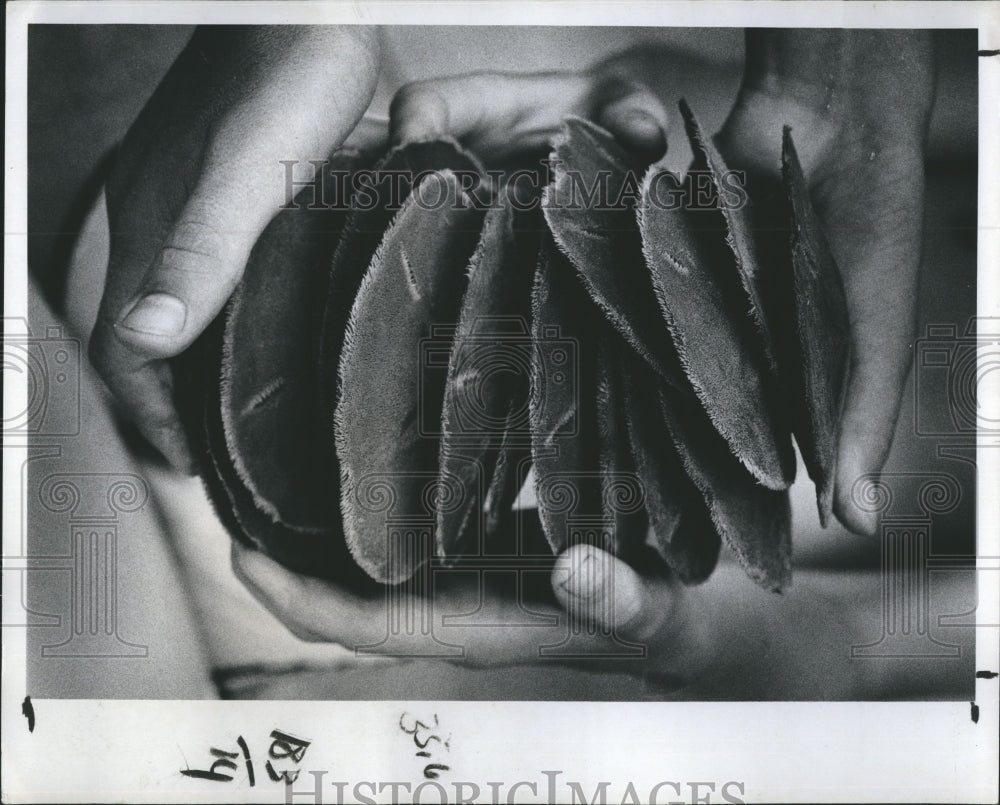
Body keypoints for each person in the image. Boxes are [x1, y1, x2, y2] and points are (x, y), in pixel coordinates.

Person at [83, 26, 967, 698]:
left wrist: (775, 645)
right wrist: (836, 75)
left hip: (618, 552)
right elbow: (843, 106)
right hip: (452, 180)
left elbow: (902, 645)